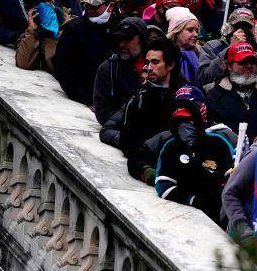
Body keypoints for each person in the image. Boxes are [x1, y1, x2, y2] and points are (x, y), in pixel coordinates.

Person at [154, 87, 238, 219]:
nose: (184, 126)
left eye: (188, 120)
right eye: (179, 121)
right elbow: (163, 186)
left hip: (220, 217)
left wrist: (219, 204)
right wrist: (193, 200)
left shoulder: (219, 143)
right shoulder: (170, 147)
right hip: (181, 218)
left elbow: (233, 181)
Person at [117, 40, 188, 180]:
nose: (149, 68)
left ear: (170, 65)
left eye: (155, 62)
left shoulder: (187, 97)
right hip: (144, 164)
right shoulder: (139, 97)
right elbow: (127, 143)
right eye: (147, 62)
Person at [204, 42, 257, 141]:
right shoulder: (214, 97)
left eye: (252, 62)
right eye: (242, 62)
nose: (249, 65)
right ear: (229, 66)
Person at [53, 0, 117, 107]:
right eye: (88, 6)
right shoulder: (73, 28)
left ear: (110, 6)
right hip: (80, 100)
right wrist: (85, 100)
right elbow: (62, 67)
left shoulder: (118, 29)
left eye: (95, 7)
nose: (90, 10)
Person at [94, 17, 148, 144]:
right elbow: (103, 112)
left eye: (128, 39)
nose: (122, 44)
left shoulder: (157, 67)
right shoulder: (108, 69)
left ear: (142, 40)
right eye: (119, 39)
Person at [14, 0, 69, 72]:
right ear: (30, 11)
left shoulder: (70, 24)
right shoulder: (31, 34)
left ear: (52, 2)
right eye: (38, 3)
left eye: (46, 1)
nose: (44, 5)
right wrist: (32, 30)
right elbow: (23, 63)